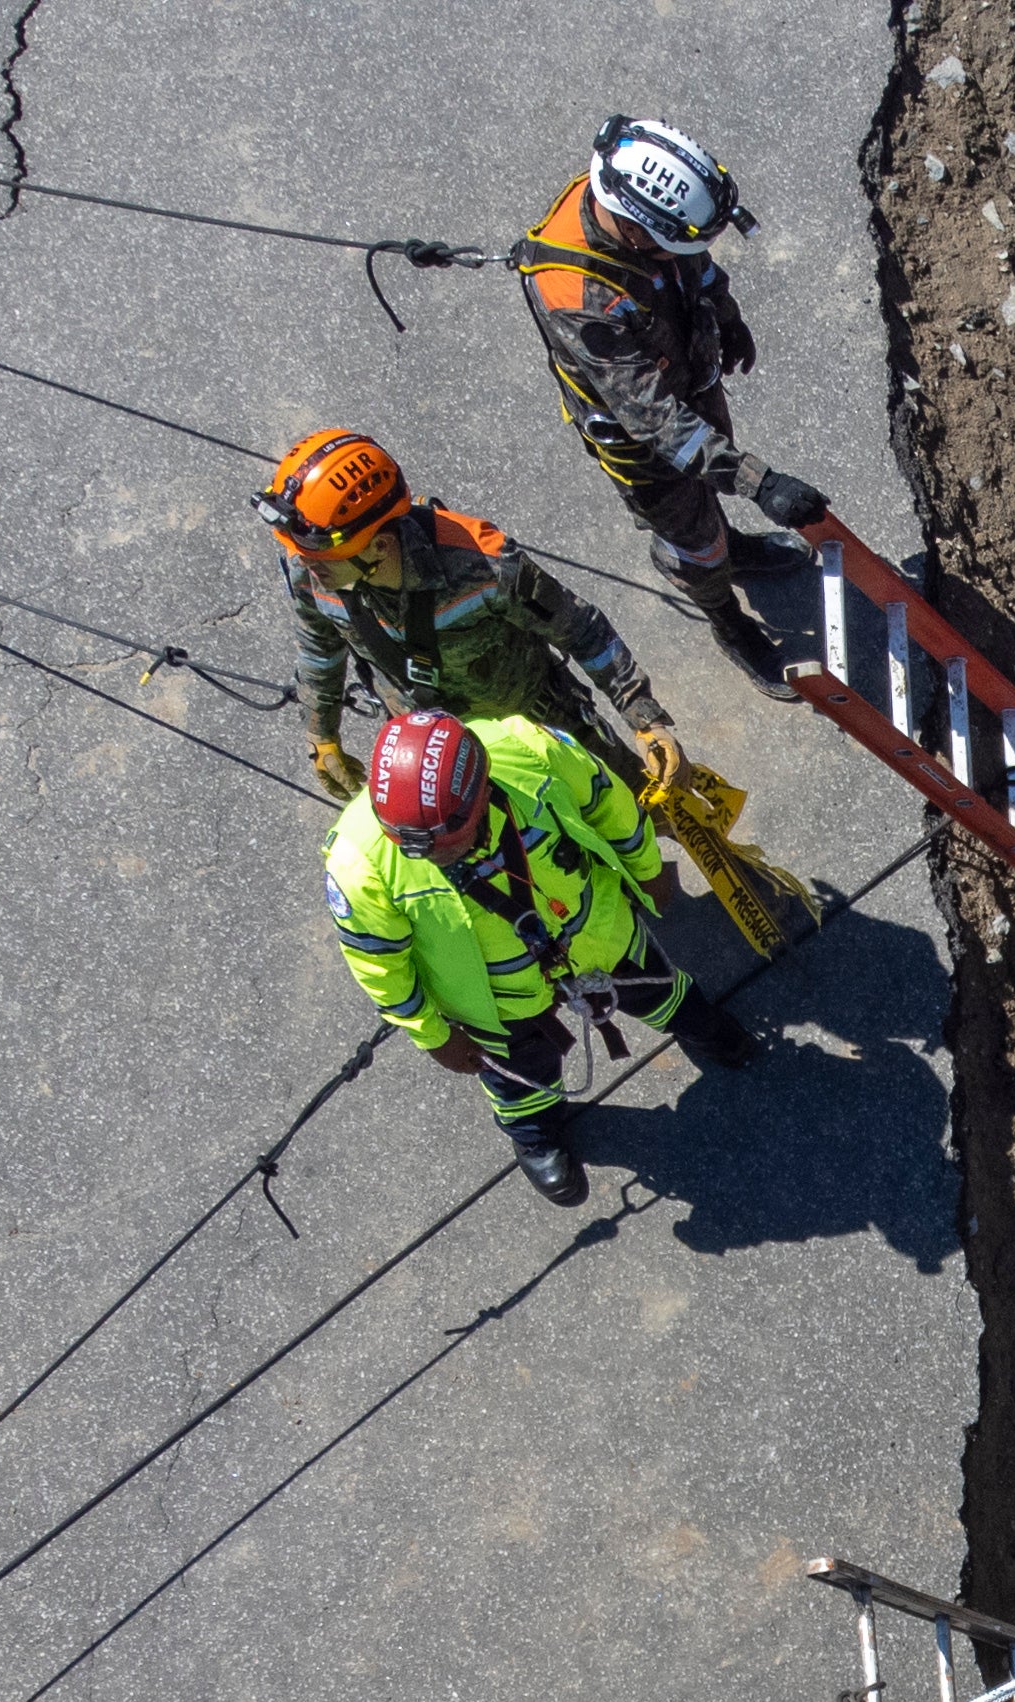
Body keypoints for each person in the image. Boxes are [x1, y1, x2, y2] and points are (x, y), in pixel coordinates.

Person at [322, 706, 759, 1206]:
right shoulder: (358, 865)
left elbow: (605, 800)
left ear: (482, 789)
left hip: (597, 933)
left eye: (442, 842)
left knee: (655, 986)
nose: (425, 855)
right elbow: (379, 964)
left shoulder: (529, 749)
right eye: (410, 844)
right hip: (496, 1000)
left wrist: (648, 868)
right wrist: (433, 1036)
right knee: (520, 1071)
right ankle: (534, 1133)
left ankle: (696, 1022)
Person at [509, 117, 833, 697]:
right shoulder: (578, 296)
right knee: (694, 542)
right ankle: (728, 621)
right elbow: (657, 423)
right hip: (649, 449)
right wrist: (760, 483)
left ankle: (730, 546)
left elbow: (696, 267)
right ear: (636, 232)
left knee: (711, 506)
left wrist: (725, 316)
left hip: (689, 380)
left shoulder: (645, 215)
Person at [255, 427, 688, 804]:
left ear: (379, 546)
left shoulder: (485, 568)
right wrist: (322, 735)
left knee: (633, 806)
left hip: (546, 729)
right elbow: (319, 650)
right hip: (443, 757)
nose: (305, 565)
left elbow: (583, 631)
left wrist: (643, 719)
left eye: (321, 557)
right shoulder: (312, 568)